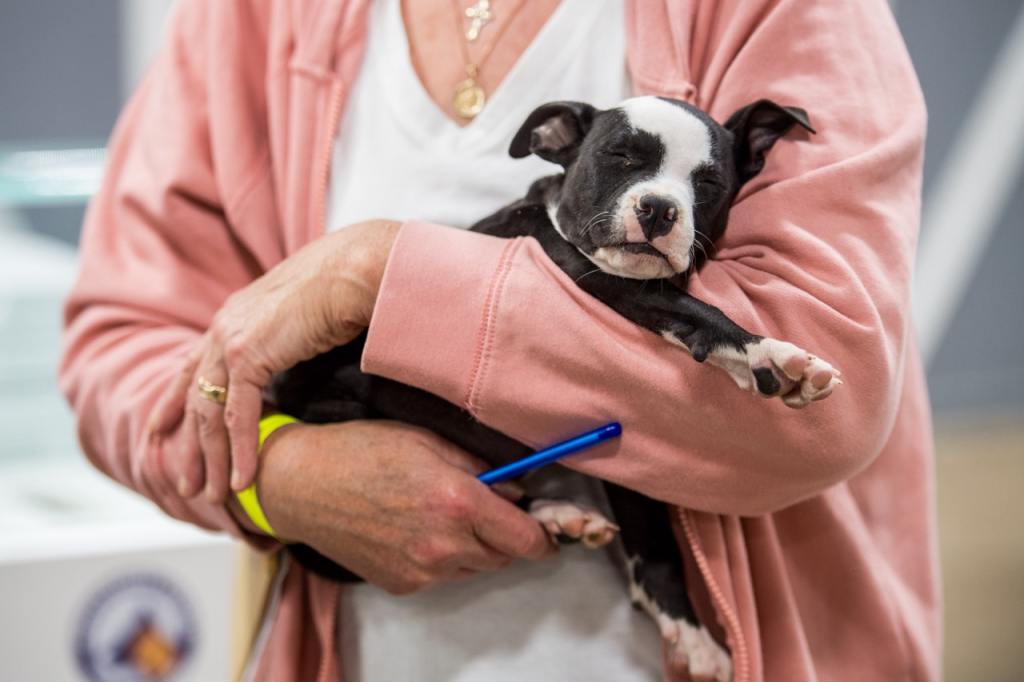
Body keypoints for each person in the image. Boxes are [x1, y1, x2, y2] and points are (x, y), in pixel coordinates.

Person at [59, 0, 940, 680]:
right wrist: (279, 479)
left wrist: (382, 274)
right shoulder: (252, 19)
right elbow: (122, 343)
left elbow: (826, 392)